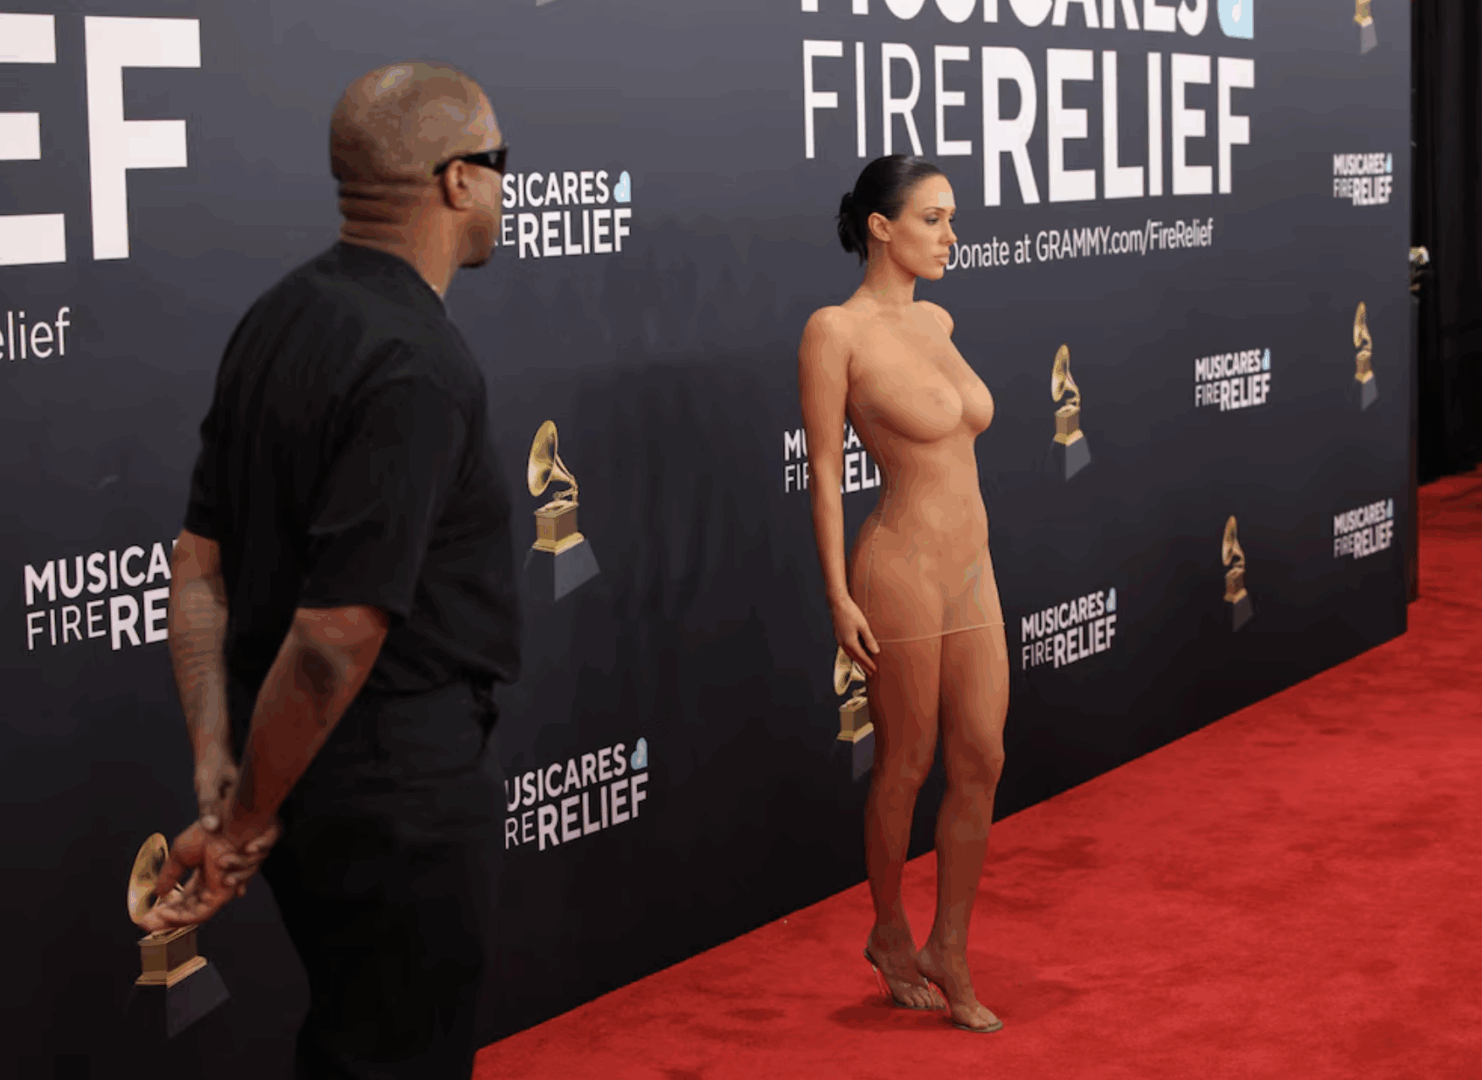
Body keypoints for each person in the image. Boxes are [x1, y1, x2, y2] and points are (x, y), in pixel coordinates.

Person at [138, 61, 521, 1079]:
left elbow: (199, 570)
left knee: (359, 1042)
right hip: (391, 786)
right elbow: (332, 639)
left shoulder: (276, 318)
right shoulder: (417, 363)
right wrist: (242, 817)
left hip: (302, 779)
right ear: (456, 180)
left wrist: (221, 766)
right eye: (499, 162)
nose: (505, 187)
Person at [797, 155, 1009, 1034]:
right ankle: (889, 931)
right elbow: (822, 471)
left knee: (983, 758)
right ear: (881, 228)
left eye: (952, 217)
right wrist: (837, 597)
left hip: (973, 569)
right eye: (934, 218)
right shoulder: (834, 332)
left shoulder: (939, 320)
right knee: (908, 762)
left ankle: (948, 945)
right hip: (899, 572)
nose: (952, 235)